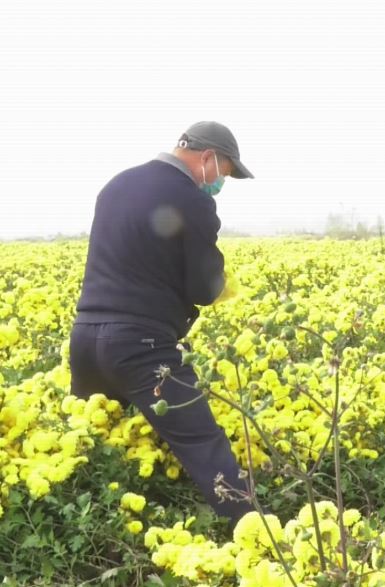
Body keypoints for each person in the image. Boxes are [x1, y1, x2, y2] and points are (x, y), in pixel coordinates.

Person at [69, 121, 255, 523]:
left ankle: (100, 531)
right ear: (207, 157)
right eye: (223, 172)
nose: (220, 182)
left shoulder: (116, 185)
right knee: (204, 444)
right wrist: (221, 283)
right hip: (140, 346)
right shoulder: (190, 197)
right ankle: (259, 537)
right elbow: (204, 288)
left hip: (85, 339)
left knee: (97, 442)